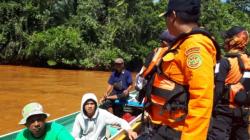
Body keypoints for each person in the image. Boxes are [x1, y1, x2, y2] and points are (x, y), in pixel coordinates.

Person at [136, 0, 220, 139]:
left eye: (166, 17)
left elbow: (201, 100)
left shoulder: (195, 47)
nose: (166, 22)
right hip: (161, 128)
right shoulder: (183, 43)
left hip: (175, 132)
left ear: (173, 16)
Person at [208, 26, 250, 140]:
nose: (225, 41)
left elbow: (218, 90)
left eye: (226, 38)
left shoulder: (224, 62)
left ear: (232, 41)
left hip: (224, 111)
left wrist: (209, 109)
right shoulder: (248, 60)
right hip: (243, 112)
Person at [71, 93, 137, 140]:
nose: (89, 106)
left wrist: (129, 131)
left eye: (92, 103)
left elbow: (120, 121)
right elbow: (75, 135)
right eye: (87, 104)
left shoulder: (103, 114)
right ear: (83, 105)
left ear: (96, 105)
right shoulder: (79, 117)